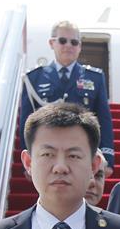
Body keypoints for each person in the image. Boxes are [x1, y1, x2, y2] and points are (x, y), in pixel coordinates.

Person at [20, 21, 114, 172]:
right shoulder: (33, 78)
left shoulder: (94, 78)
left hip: (80, 153)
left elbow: (104, 119)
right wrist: (28, 155)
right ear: (52, 43)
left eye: (74, 42)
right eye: (63, 41)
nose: (68, 45)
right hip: (47, 155)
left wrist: (108, 156)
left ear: (80, 46)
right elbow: (26, 121)